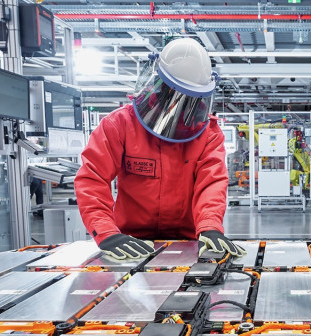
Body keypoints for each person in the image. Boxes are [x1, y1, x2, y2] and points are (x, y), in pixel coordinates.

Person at [74, 38, 246, 261]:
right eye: (176, 95)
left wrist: (210, 224)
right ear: (160, 84)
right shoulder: (119, 125)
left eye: (192, 99)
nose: (183, 106)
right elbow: (92, 179)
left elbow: (211, 183)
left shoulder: (208, 134)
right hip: (130, 243)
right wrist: (105, 231)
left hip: (189, 242)